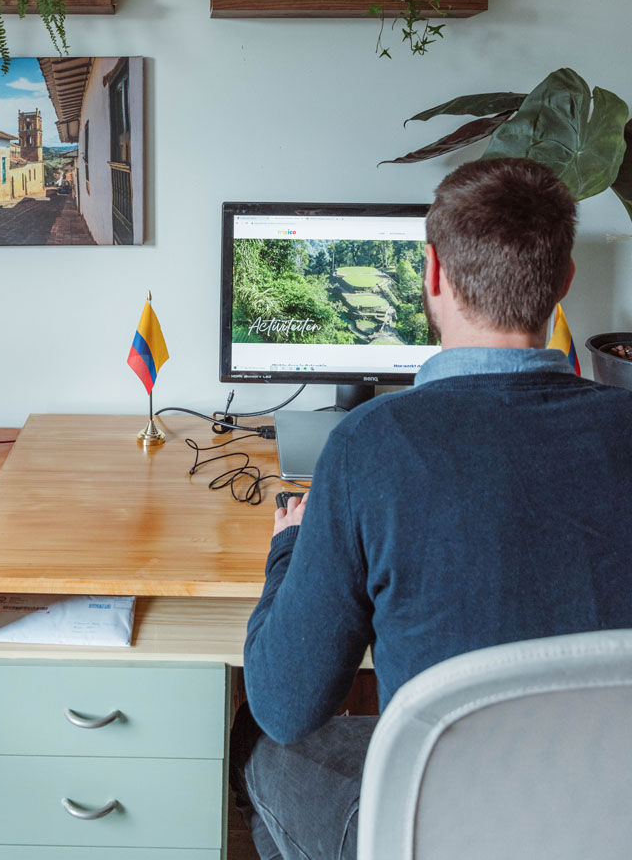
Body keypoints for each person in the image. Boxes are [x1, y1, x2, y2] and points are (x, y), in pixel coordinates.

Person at [230, 156, 632, 860]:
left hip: (440, 834)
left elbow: (285, 702)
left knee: (263, 746)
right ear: (564, 283)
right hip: (604, 824)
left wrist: (288, 546)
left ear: (434, 275)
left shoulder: (368, 447)